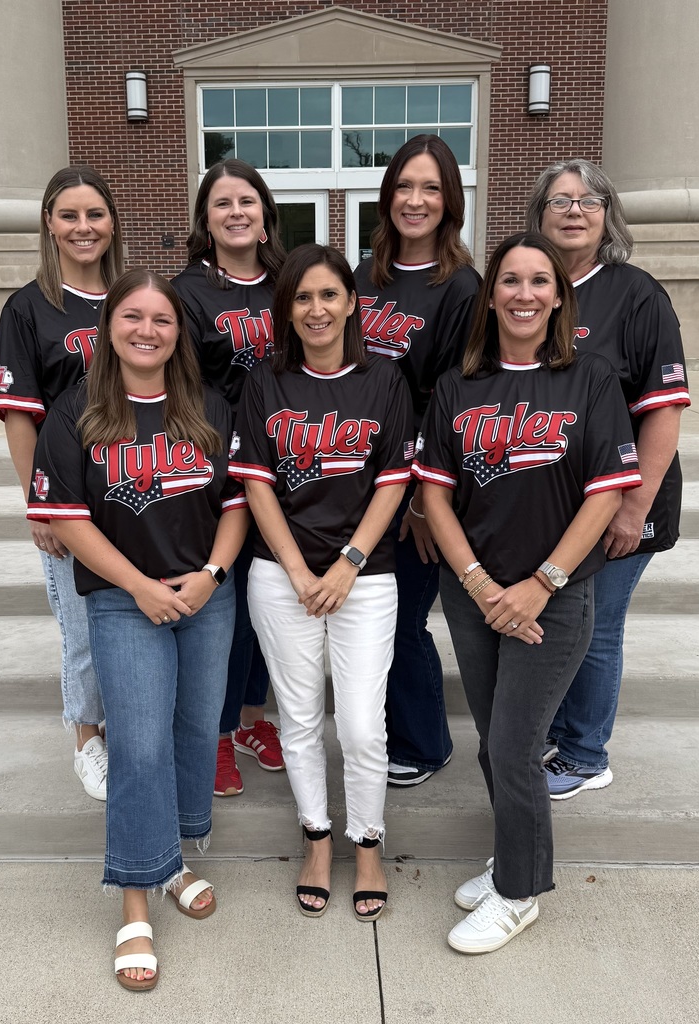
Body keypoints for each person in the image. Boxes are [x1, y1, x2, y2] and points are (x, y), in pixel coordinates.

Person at [414, 232, 642, 953]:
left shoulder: (590, 379)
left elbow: (605, 495)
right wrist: (481, 585)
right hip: (475, 596)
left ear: (558, 296)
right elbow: (436, 496)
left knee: (515, 746)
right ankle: (513, 856)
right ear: (490, 296)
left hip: (555, 598)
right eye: (509, 280)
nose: (523, 293)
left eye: (539, 280)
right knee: (496, 745)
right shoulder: (458, 385)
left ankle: (519, 894)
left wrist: (542, 583)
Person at [27, 269, 248, 990]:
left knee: (196, 730)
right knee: (140, 742)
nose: (146, 330)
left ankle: (172, 861)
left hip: (205, 595)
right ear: (109, 326)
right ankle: (134, 898)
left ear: (179, 333)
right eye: (132, 316)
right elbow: (68, 520)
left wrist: (211, 574)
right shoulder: (77, 412)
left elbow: (238, 502)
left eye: (161, 319)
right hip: (125, 601)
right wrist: (139, 587)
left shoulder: (208, 406)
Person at [231, 244, 413, 921]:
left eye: (329, 295)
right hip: (283, 577)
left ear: (351, 302)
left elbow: (394, 480)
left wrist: (347, 563)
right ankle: (316, 837)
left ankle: (367, 844)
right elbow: (256, 483)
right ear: (286, 309)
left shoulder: (384, 378)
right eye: (302, 297)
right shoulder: (265, 381)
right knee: (300, 718)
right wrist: (300, 570)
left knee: (362, 726)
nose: (316, 309)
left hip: (366, 576)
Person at [525, 159, 691, 798]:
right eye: (561, 200)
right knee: (563, 621)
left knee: (595, 628)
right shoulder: (529, 287)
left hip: (622, 500)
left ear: (608, 217)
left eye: (589, 201)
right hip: (554, 500)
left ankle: (585, 755)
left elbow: (664, 409)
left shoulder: (637, 294)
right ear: (538, 214)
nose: (575, 210)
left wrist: (633, 506)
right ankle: (559, 731)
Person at [354, 134, 482, 787]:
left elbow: (454, 401)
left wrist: (424, 498)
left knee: (403, 618)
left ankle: (425, 743)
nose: (415, 200)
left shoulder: (461, 288)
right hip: (355, 477)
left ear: (449, 200)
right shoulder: (362, 278)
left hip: (415, 487)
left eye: (430, 188)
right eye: (404, 186)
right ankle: (382, 731)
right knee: (372, 615)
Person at [0, 165, 125, 800]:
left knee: (128, 620)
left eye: (94, 214)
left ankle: (127, 725)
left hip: (139, 484)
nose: (83, 227)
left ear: (112, 222)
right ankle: (86, 739)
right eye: (69, 215)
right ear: (48, 223)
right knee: (82, 629)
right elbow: (21, 416)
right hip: (69, 495)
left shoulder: (132, 295)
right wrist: (38, 505)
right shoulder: (28, 308)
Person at [173, 159, 288, 797]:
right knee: (231, 609)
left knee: (269, 601)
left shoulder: (290, 281)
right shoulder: (188, 292)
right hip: (220, 469)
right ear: (206, 219)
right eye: (222, 203)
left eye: (247, 200)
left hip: (290, 465)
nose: (236, 212)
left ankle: (250, 720)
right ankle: (217, 733)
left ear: (265, 214)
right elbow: (181, 387)